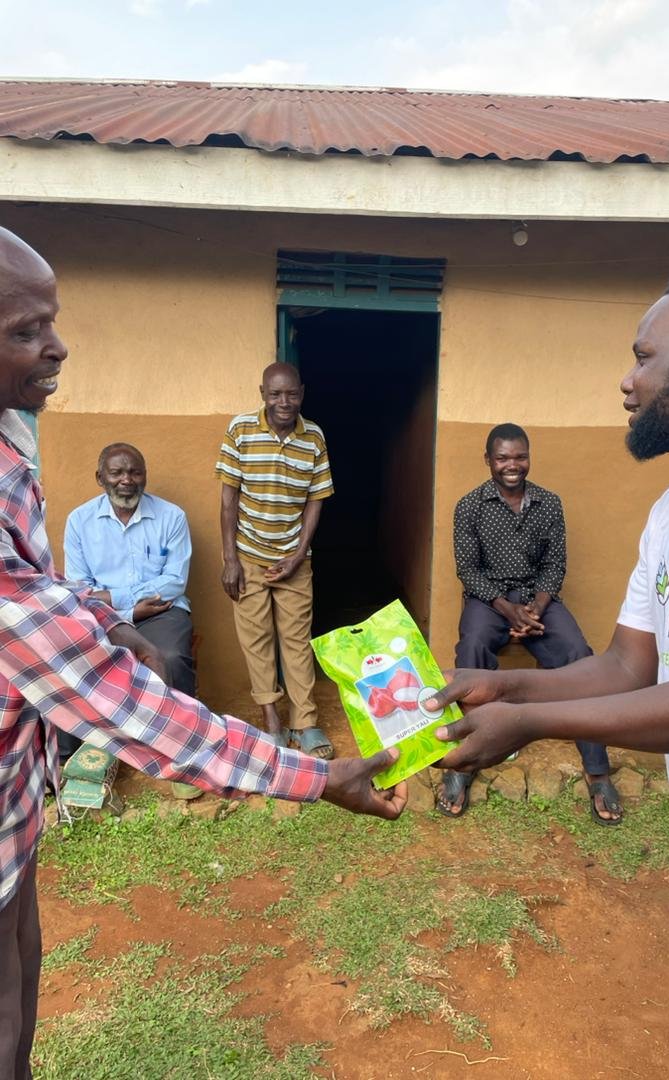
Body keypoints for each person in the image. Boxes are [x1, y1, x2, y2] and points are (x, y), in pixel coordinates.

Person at [0, 226, 407, 1080]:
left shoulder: (13, 448)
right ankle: (290, 737)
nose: (59, 345)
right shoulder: (226, 442)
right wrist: (319, 780)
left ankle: (297, 722)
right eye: (27, 329)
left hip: (16, 822)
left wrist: (105, 619)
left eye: (53, 321)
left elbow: (46, 585)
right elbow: (126, 704)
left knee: (20, 989)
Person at [430, 264, 669, 1078]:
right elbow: (626, 666)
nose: (627, 381)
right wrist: (502, 685)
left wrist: (529, 722)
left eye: (643, 356)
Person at [437, 423, 621, 823]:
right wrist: (509, 611)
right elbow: (468, 571)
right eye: (502, 458)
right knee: (471, 648)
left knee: (579, 654)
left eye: (520, 457)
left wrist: (535, 609)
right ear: (488, 460)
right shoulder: (469, 506)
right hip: (490, 601)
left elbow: (555, 565)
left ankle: (597, 770)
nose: (512, 465)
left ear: (529, 458)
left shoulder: (549, 503)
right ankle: (464, 763)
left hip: (539, 600)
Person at [62, 444, 197, 791]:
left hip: (162, 611)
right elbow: (80, 590)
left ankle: (182, 752)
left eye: (135, 472)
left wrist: (115, 598)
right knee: (72, 658)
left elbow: (174, 582)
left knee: (170, 657)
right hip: (102, 616)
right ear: (100, 478)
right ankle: (73, 760)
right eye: (117, 473)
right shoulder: (79, 521)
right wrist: (128, 609)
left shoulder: (171, 517)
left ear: (145, 476)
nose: (127, 480)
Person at [216, 362, 334, 758]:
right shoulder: (241, 430)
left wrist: (299, 555)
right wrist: (230, 560)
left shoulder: (313, 436)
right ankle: (272, 721)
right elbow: (228, 499)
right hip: (248, 555)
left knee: (297, 640)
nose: (284, 402)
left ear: (302, 392)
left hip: (294, 559)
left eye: (291, 394)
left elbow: (316, 500)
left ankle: (306, 723)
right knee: (257, 640)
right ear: (262, 394)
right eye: (275, 394)